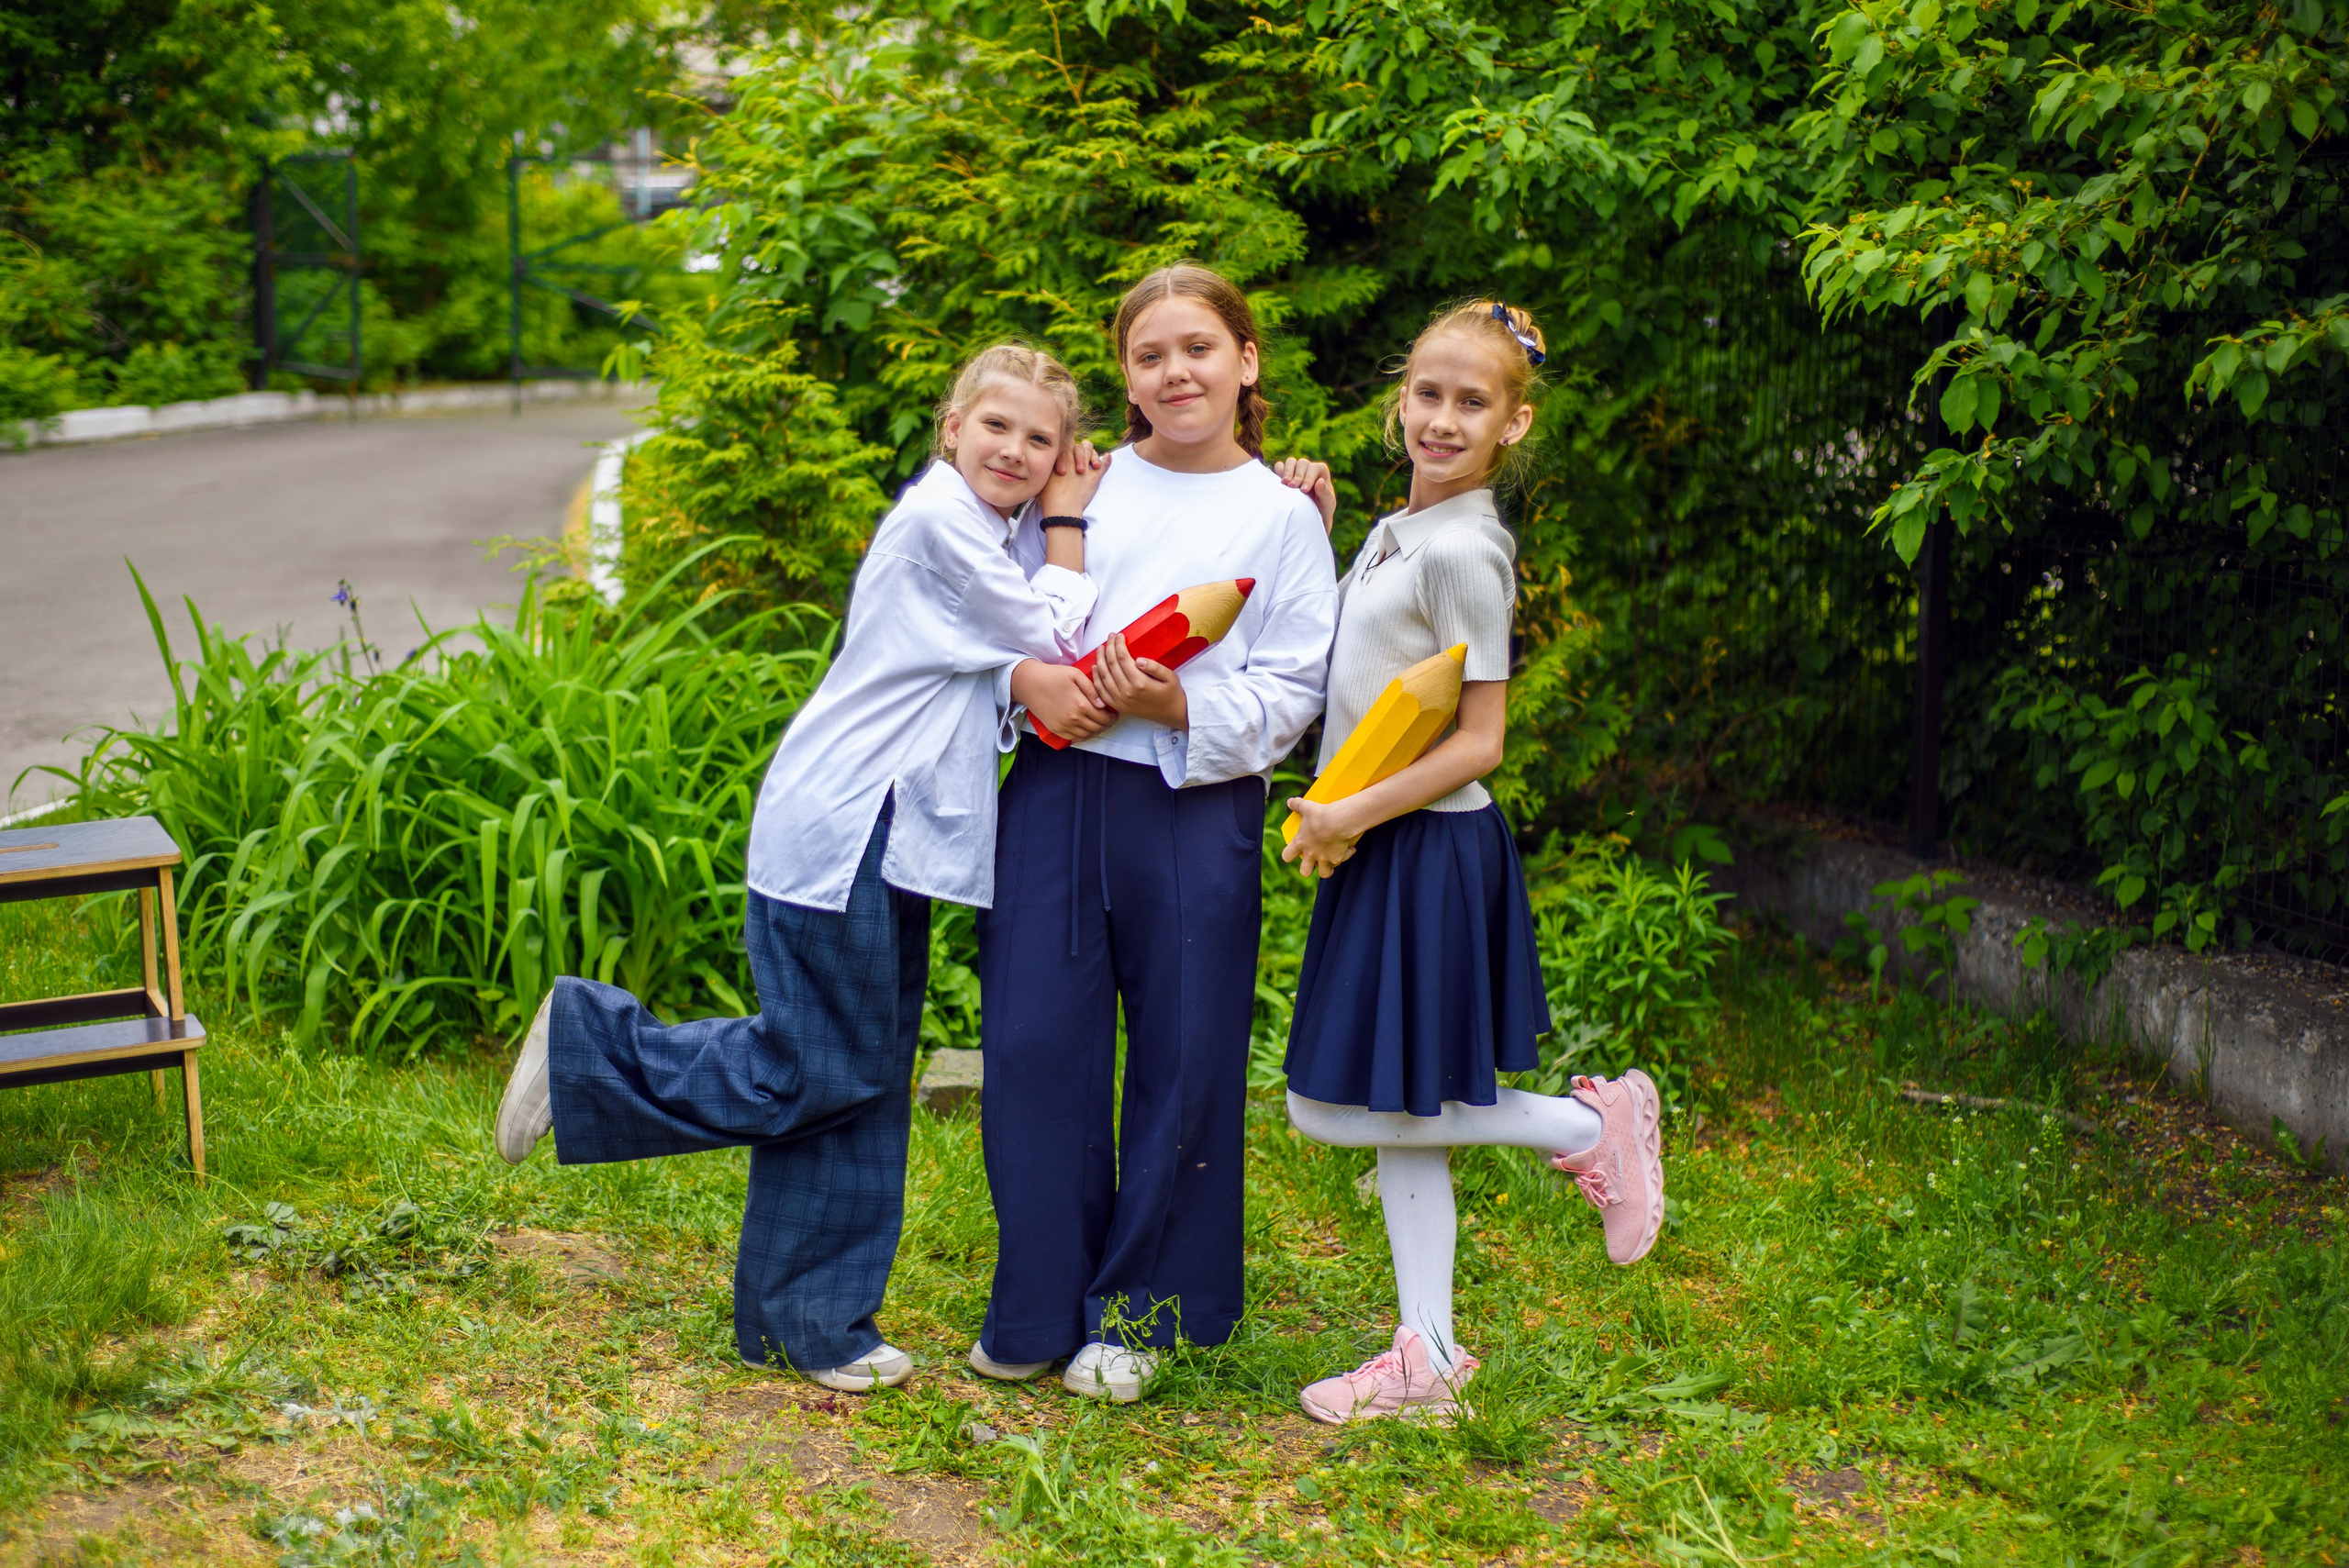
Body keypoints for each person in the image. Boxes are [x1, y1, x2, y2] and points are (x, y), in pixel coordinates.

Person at [491, 343, 1118, 1392]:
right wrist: (1067, 520)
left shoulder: (983, 525)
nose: (1015, 448)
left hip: (894, 831)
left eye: (1040, 438)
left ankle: (807, 1321)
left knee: (860, 1078)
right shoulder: (938, 524)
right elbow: (1057, 629)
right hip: (850, 827)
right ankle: (589, 1043)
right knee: (822, 1066)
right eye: (995, 425)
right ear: (950, 427)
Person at [1275, 301, 1666, 1427]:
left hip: (1428, 846)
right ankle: (1428, 1354)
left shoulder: (1467, 547)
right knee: (1404, 1102)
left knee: (1329, 1107)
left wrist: (1344, 810)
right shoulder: (1406, 529)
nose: (1443, 418)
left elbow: (1480, 739)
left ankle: (1586, 1126)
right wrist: (1333, 520)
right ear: (1399, 401)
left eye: (1471, 402)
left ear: (1514, 423)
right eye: (1428, 395)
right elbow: (1389, 678)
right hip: (1381, 836)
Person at [972, 263, 1339, 1403]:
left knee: (1184, 1053)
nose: (1175, 371)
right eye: (1149, 354)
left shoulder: (1284, 517)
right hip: (1055, 784)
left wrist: (1173, 703)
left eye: (1197, 348)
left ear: (1245, 360)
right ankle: (1038, 1300)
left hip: (1191, 801)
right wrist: (1033, 685)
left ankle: (1145, 1308)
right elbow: (989, 618)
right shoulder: (1072, 485)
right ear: (1124, 378)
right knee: (1034, 1045)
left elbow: (1294, 686)